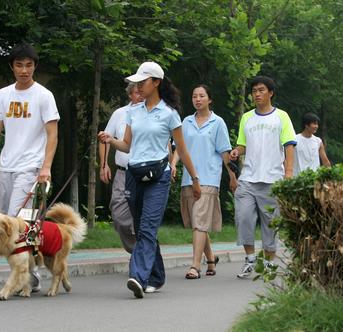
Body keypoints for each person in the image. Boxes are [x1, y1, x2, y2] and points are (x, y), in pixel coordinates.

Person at [98, 61, 201, 299]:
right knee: (144, 229)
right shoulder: (133, 111)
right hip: (134, 176)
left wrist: (194, 178)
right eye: (136, 83)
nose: (138, 87)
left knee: (146, 227)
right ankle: (156, 276)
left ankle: (138, 276)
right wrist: (109, 140)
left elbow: (182, 150)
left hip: (159, 177)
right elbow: (126, 144)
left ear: (156, 83)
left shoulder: (170, 114)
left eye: (142, 82)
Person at [0, 43, 60, 292]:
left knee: (16, 222)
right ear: (12, 67)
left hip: (31, 167)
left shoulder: (44, 95)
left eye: (29, 65)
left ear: (35, 67)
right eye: (20, 65)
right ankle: (29, 273)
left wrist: (46, 167)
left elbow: (52, 134)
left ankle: (27, 276)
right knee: (6, 224)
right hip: (6, 166)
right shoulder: (3, 94)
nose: (24, 70)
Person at [230, 76, 296, 279]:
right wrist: (236, 151)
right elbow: (243, 144)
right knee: (243, 218)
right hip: (248, 178)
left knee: (270, 224)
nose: (256, 94)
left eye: (261, 90)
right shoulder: (247, 118)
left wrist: (288, 174)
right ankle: (250, 259)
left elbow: (289, 145)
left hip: (272, 178)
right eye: (254, 91)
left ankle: (268, 262)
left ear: (270, 92)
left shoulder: (281, 116)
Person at [170, 84, 237, 279]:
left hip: (209, 177)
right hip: (189, 178)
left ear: (209, 99)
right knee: (198, 223)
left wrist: (232, 177)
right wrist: (173, 164)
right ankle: (210, 259)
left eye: (201, 96)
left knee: (200, 221)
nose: (197, 99)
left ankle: (194, 266)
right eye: (194, 96)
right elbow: (179, 149)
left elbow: (225, 152)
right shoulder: (186, 122)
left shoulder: (218, 123)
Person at [99, 83, 143, 253]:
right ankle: (137, 251)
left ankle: (143, 257)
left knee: (143, 217)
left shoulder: (154, 113)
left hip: (146, 174)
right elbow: (105, 138)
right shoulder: (120, 114)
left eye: (142, 91)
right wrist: (104, 165)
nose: (140, 95)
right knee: (119, 216)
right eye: (136, 92)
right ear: (130, 95)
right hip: (123, 173)